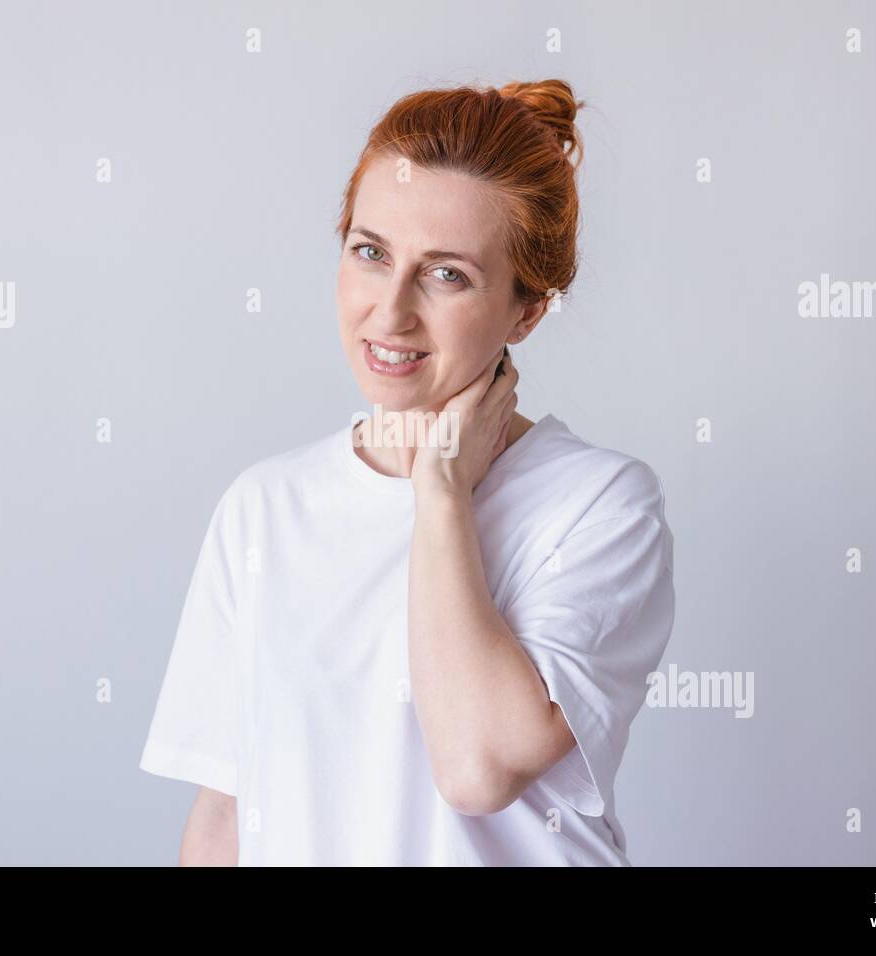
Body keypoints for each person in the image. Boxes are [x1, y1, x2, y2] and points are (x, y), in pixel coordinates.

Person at [139, 79, 676, 866]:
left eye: (446, 274)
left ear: (528, 311)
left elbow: (476, 766)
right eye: (370, 253)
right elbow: (227, 816)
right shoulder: (266, 507)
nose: (390, 313)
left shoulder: (599, 506)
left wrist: (442, 490)